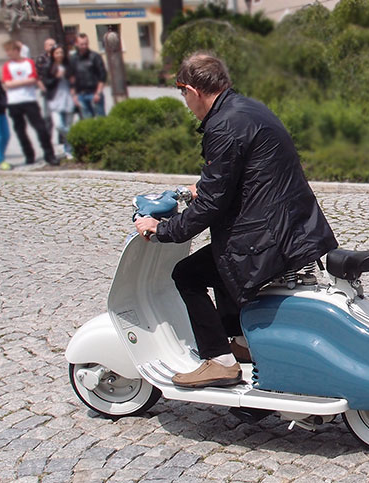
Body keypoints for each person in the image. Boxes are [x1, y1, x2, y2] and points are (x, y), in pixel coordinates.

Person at [134, 53, 338, 388]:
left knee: (187, 274)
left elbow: (212, 204)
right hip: (293, 229)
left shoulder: (223, 125)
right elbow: (242, 173)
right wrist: (199, 188)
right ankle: (242, 343)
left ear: (193, 90)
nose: (186, 103)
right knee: (222, 258)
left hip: (269, 240)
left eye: (183, 94)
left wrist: (163, 229)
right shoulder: (245, 109)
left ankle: (219, 361)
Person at [1, 39, 57, 166]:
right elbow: (8, 83)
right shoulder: (7, 66)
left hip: (29, 99)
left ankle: (49, 154)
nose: (8, 53)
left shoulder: (28, 62)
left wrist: (17, 82)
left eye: (9, 51)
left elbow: (33, 78)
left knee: (40, 128)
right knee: (20, 131)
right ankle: (29, 155)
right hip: (14, 101)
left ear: (16, 50)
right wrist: (25, 81)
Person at [43, 44, 76, 158]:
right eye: (57, 53)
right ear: (53, 54)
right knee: (58, 125)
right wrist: (56, 77)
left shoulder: (68, 66)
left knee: (68, 124)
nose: (59, 55)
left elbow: (74, 81)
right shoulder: (49, 67)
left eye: (61, 52)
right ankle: (72, 138)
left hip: (68, 97)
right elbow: (47, 83)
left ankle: (69, 150)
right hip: (55, 99)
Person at [70, 33, 106, 118]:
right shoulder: (73, 58)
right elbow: (71, 78)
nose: (84, 46)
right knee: (86, 121)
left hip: (94, 93)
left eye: (86, 43)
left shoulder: (95, 56)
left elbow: (102, 76)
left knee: (100, 120)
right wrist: (74, 95)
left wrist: (98, 93)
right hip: (80, 95)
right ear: (76, 44)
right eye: (82, 44)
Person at [35, 38, 56, 136]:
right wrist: (43, 88)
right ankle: (48, 136)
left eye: (54, 44)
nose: (53, 47)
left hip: (59, 91)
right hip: (47, 90)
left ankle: (62, 138)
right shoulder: (41, 59)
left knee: (60, 114)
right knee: (48, 116)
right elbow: (37, 76)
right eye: (50, 45)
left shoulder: (59, 56)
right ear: (45, 47)